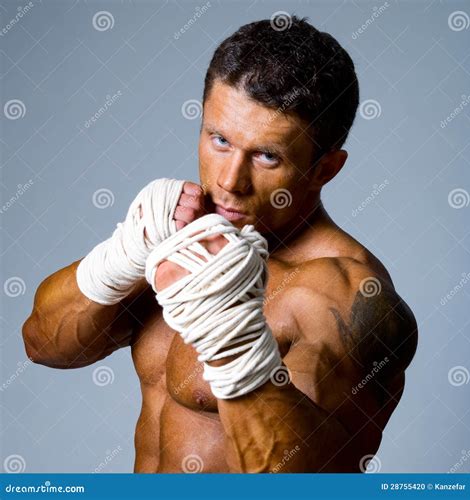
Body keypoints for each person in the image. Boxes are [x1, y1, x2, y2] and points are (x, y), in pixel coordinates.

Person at [22, 16, 418, 473]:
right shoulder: (181, 238)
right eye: (220, 140)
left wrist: (232, 338)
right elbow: (42, 346)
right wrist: (121, 256)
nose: (230, 181)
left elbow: (310, 481)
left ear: (325, 169)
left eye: (268, 156)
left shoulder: (342, 293)